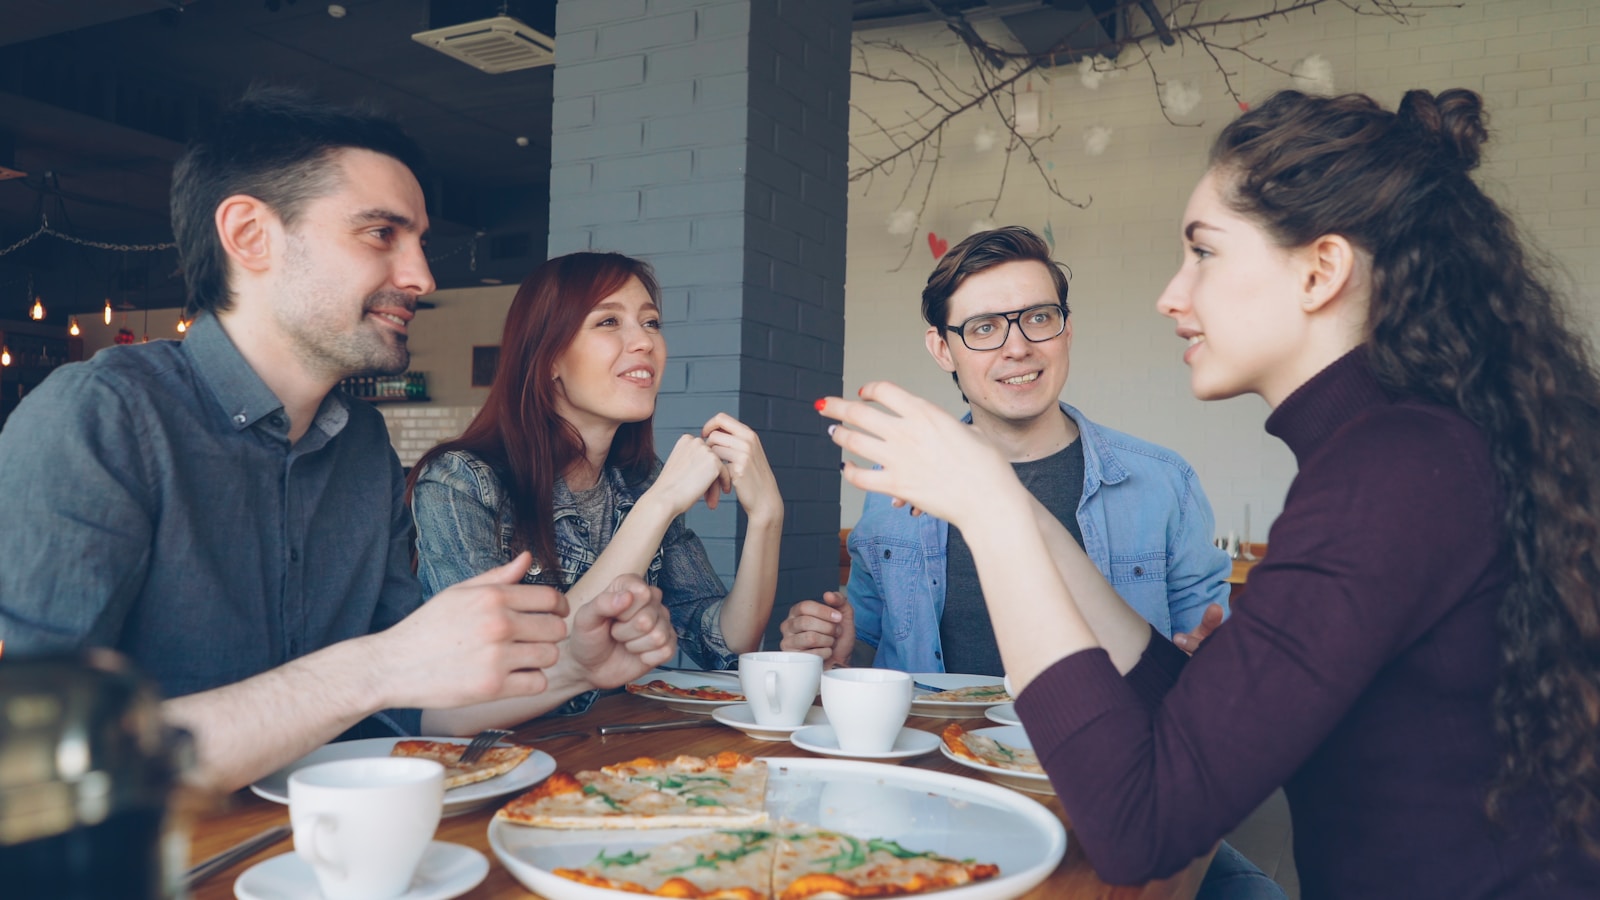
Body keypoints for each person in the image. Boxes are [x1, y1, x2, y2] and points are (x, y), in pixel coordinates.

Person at [819, 88, 1600, 898]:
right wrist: (1008, 501)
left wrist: (989, 512)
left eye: (1204, 253)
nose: (1172, 295)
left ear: (1320, 270)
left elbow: (1139, 828)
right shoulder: (1400, 449)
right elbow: (1192, 713)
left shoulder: (1393, 472)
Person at [0, 87, 676, 792]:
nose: (421, 276)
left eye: (417, 241)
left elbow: (414, 706)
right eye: (381, 234)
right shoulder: (100, 418)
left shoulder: (360, 445)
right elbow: (34, 758)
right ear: (251, 236)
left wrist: (574, 665)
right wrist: (374, 667)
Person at [780, 226, 1231, 674]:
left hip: (1101, 744)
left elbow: (1204, 657)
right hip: (934, 745)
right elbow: (870, 645)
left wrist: (1210, 665)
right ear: (943, 350)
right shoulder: (895, 484)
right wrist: (839, 648)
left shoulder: (1166, 484)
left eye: (1038, 318)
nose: (1017, 348)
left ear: (1066, 330)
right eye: (984, 327)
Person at [407, 250, 783, 715]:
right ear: (549, 360)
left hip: (606, 759)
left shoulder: (637, 480)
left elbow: (723, 645)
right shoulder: (460, 482)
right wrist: (659, 503)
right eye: (608, 322)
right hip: (494, 759)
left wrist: (767, 517)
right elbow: (502, 665)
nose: (643, 341)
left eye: (650, 323)